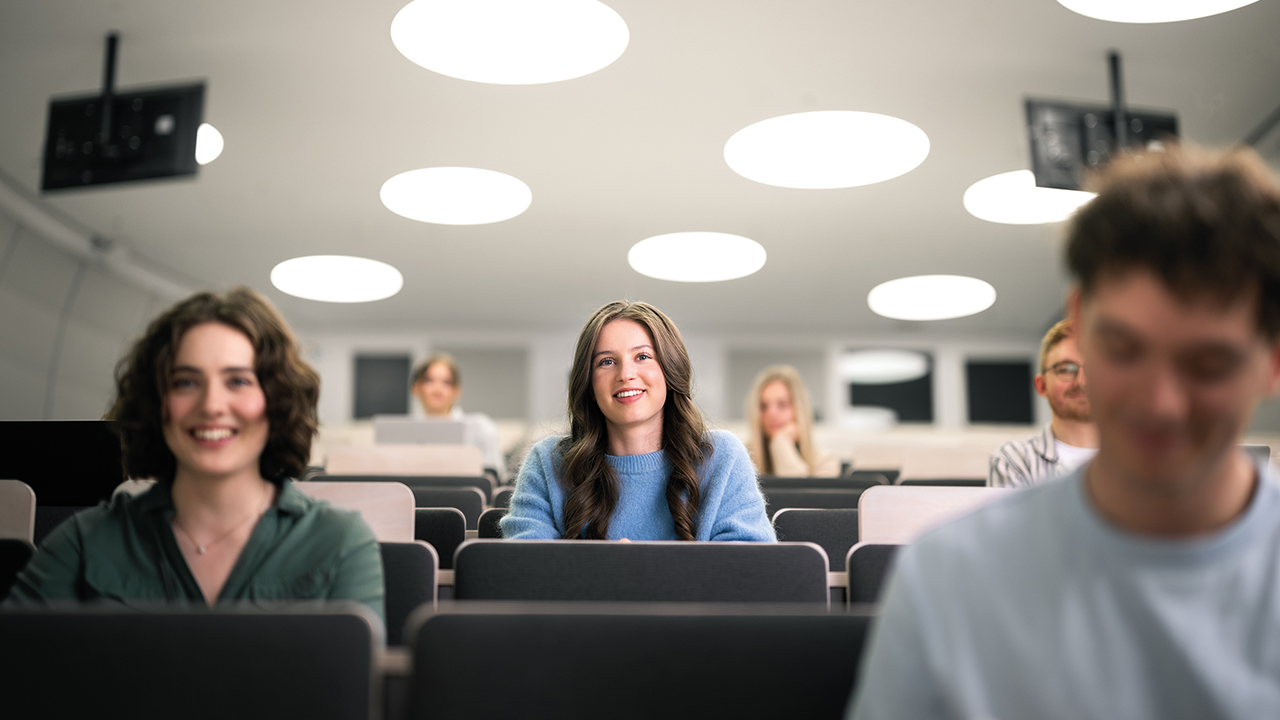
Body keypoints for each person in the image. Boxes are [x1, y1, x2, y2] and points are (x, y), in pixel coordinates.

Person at [849, 146, 1280, 719]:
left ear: (1273, 360)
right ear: (1078, 324)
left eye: (1207, 365)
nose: (1160, 404)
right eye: (1124, 350)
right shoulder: (950, 579)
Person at [6, 288, 384, 619]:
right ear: (156, 404)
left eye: (238, 380)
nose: (212, 405)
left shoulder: (339, 542)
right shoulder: (84, 543)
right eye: (186, 382)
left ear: (276, 401)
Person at [500, 300, 775, 541]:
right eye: (606, 362)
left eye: (642, 357)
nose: (625, 374)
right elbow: (523, 570)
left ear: (669, 371)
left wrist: (635, 570)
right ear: (589, 384)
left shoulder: (723, 457)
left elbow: (751, 570)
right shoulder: (547, 462)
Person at [988, 319, 1099, 487]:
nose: (1081, 383)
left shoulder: (1138, 458)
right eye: (1065, 369)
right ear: (1042, 386)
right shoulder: (1013, 460)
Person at [411, 352, 506, 482]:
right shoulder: (404, 435)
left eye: (446, 382)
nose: (437, 388)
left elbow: (493, 479)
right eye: (429, 381)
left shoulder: (481, 428)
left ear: (457, 390)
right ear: (415, 387)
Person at [746, 365, 839, 477]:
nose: (771, 413)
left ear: (800, 409)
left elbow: (797, 488)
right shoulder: (741, 459)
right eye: (763, 406)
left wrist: (781, 441)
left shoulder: (824, 461)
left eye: (782, 405)